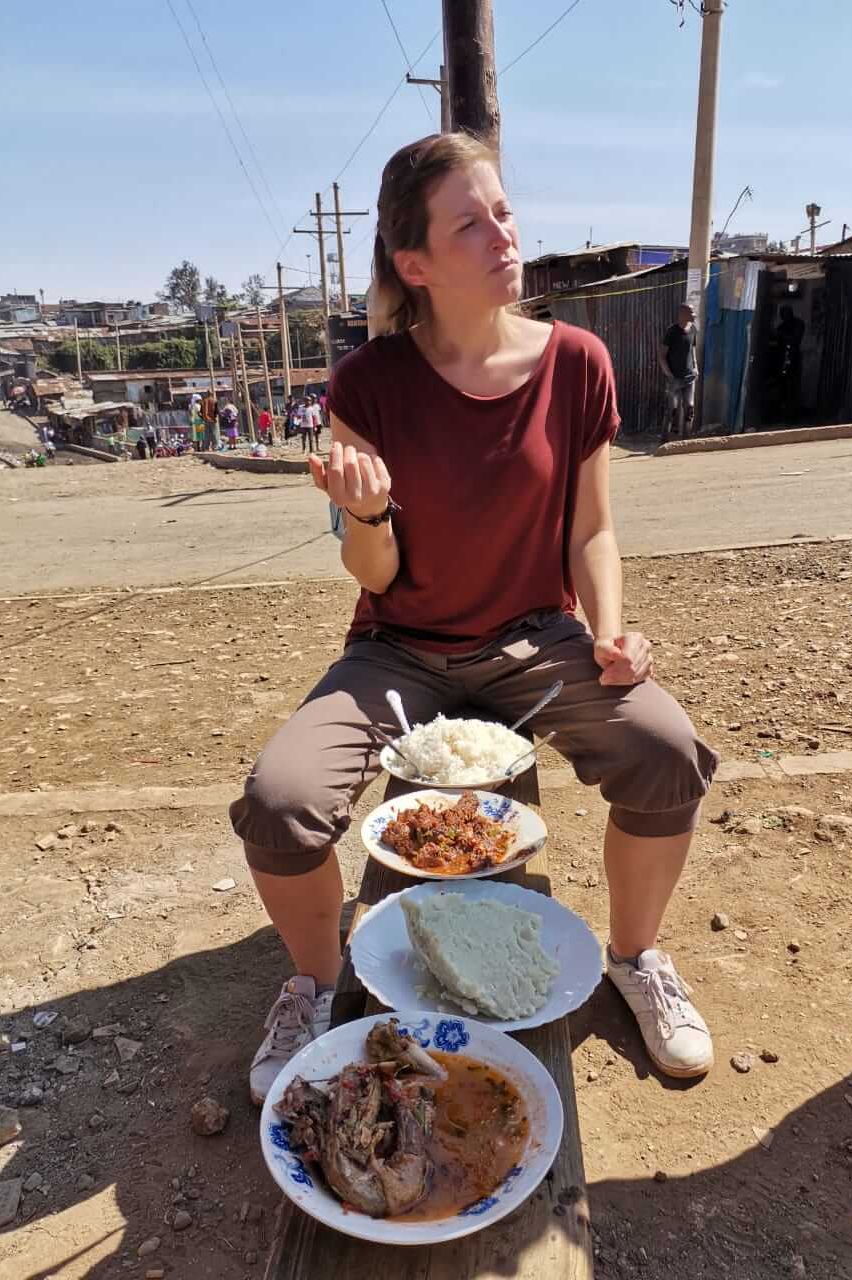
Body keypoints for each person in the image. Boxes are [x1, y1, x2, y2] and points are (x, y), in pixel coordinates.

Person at [230, 132, 718, 1106]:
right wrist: (366, 510)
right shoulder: (368, 383)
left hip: (539, 640)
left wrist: (614, 632)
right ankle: (311, 985)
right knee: (281, 800)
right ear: (416, 263)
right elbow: (372, 566)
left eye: (501, 209)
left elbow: (593, 531)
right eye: (471, 221)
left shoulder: (577, 363)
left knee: (668, 751)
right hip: (398, 650)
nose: (503, 232)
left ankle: (634, 956)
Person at [658, 303, 698, 440]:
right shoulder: (672, 332)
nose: (694, 315)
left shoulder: (693, 329)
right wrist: (669, 374)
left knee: (689, 409)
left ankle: (686, 440)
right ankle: (664, 441)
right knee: (671, 410)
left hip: (689, 378)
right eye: (691, 313)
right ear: (682, 314)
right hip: (674, 378)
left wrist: (695, 367)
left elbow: (692, 349)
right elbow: (662, 355)